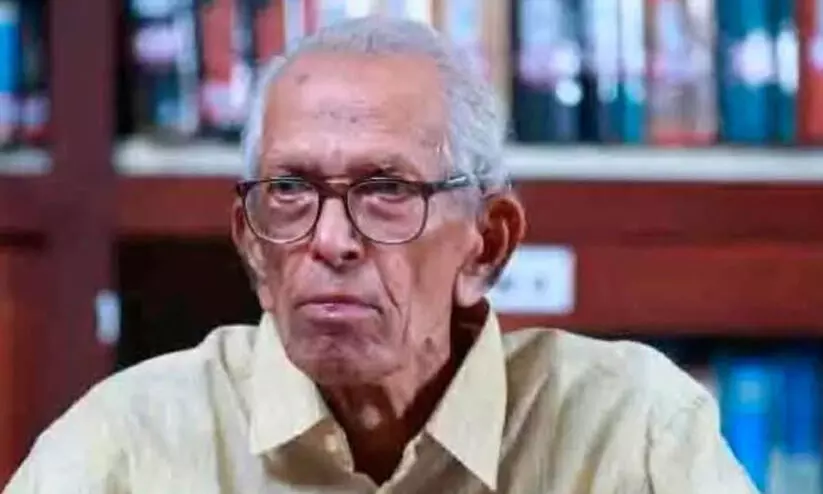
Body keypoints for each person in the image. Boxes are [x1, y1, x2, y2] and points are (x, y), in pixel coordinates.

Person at [4, 16, 758, 494]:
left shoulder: (630, 435)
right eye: (290, 190)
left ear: (487, 244)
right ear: (252, 245)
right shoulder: (127, 448)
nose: (330, 240)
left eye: (386, 190)